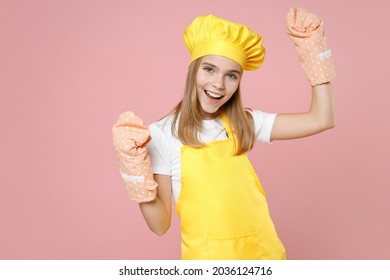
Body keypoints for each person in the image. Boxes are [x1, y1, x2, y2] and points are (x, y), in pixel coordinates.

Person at [112, 7, 336, 260]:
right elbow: (159, 225)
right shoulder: (162, 134)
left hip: (264, 256)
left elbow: (322, 119)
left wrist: (315, 56)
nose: (219, 84)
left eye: (231, 75)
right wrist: (135, 175)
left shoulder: (245, 123)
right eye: (209, 69)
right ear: (193, 70)